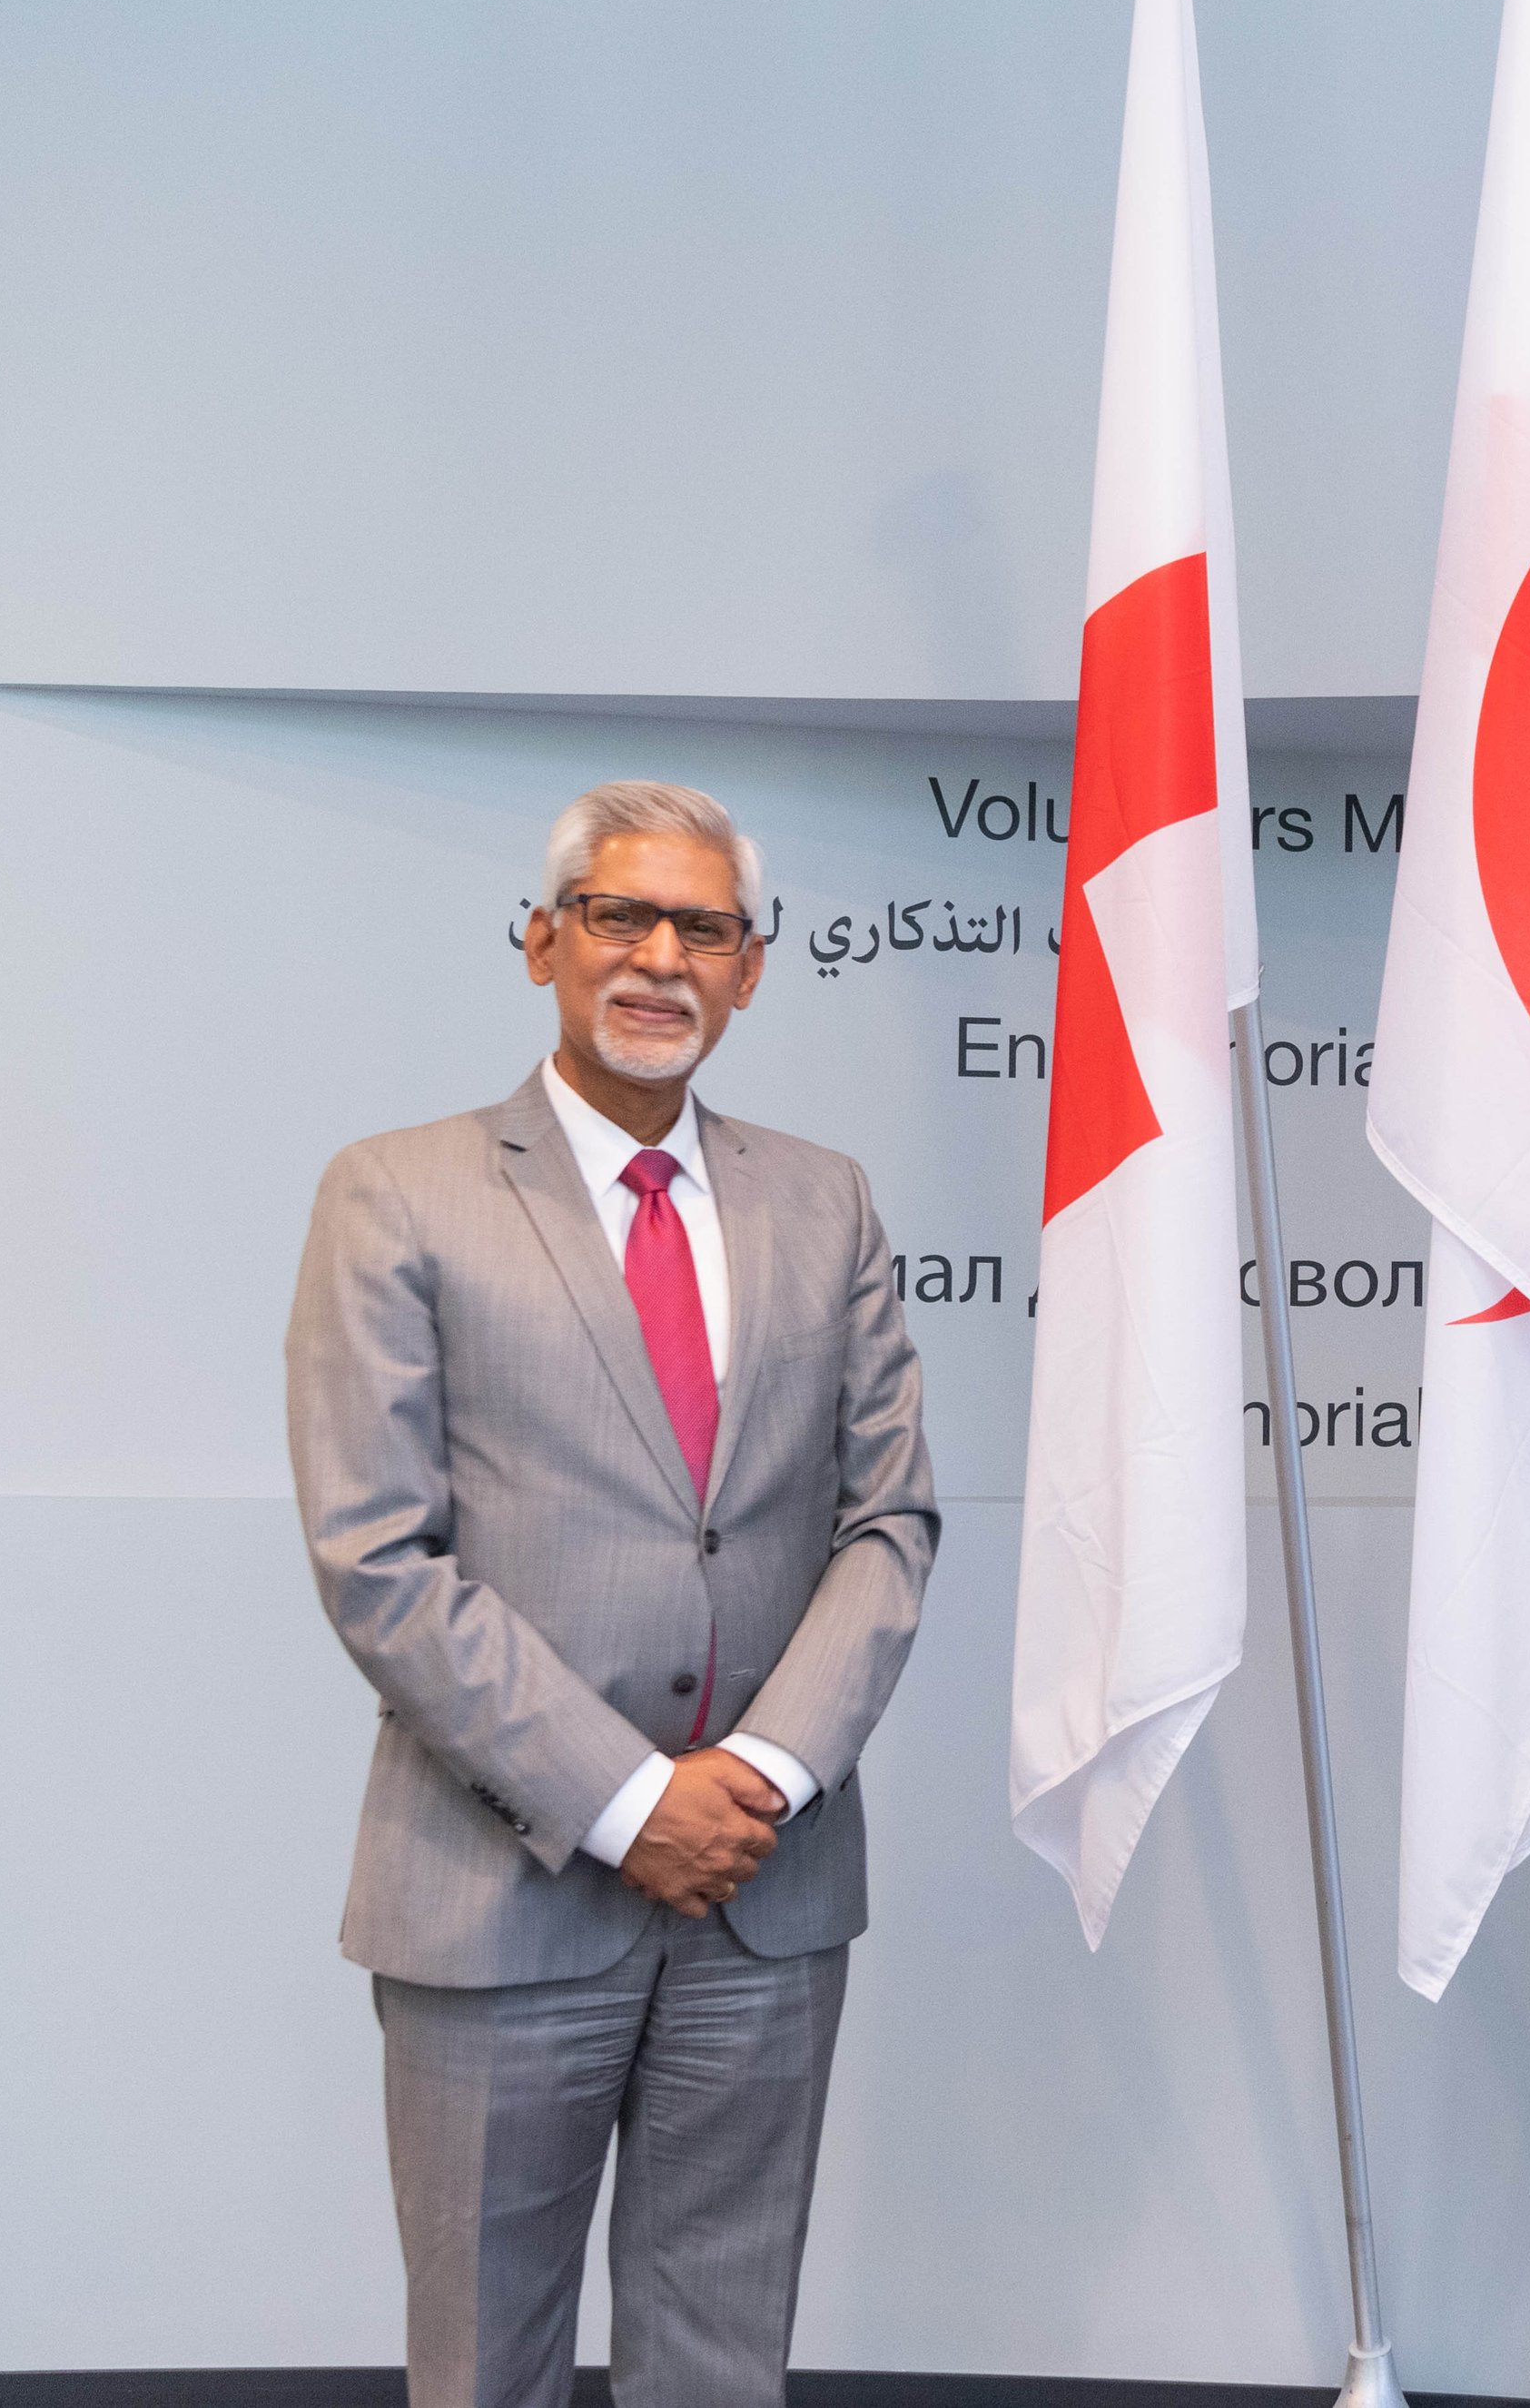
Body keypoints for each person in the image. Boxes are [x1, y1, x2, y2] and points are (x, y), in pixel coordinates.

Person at [287, 781, 939, 2408]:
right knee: (484, 2373)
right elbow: (379, 1556)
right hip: (501, 1892)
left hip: (760, 1897)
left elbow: (890, 1521)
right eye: (616, 916)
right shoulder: (397, 1191)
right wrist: (630, 1798)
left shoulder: (827, 1199)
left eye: (702, 927)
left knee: (721, 2372)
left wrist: (760, 1784)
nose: (659, 958)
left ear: (752, 969)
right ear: (541, 943)